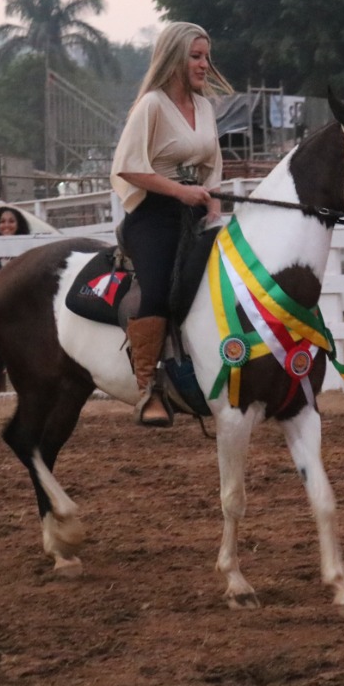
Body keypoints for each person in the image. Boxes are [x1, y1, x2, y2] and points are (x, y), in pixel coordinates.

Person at [110, 22, 232, 427]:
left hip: (196, 211)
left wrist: (213, 208)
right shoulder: (152, 105)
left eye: (206, 57)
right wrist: (180, 192)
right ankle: (149, 388)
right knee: (159, 289)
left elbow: (212, 168)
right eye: (196, 57)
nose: (204, 64)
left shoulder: (205, 108)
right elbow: (128, 167)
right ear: (175, 59)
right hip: (153, 214)